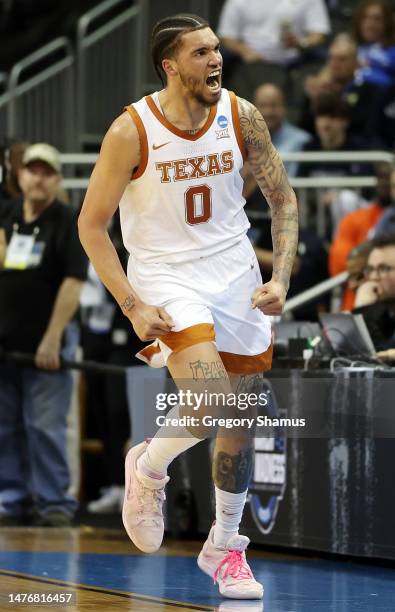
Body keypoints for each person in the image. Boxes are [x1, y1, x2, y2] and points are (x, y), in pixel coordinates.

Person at [78, 13, 298, 601]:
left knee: (238, 424)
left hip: (235, 275)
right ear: (170, 65)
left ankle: (224, 546)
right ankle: (149, 466)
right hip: (168, 277)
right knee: (209, 399)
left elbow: (282, 199)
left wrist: (284, 277)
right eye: (201, 53)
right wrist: (131, 305)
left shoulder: (241, 114)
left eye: (218, 49)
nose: (215, 60)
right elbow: (92, 226)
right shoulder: (132, 130)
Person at [0, 143, 88, 526]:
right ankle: (11, 498)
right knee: (6, 424)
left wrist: (53, 337)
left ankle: (53, 503)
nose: (38, 178)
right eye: (32, 171)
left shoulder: (68, 219)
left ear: (57, 179)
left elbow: (73, 281)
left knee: (45, 424)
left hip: (47, 340)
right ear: (19, 176)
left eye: (47, 172)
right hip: (6, 342)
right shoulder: (6, 215)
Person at [217, 0, 330, 99]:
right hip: (256, 62)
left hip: (298, 61)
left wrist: (302, 43)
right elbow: (227, 35)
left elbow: (319, 33)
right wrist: (245, 52)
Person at [300, 33, 385, 145]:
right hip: (320, 149)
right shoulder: (320, 89)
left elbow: (366, 126)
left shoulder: (369, 89)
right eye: (332, 58)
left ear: (356, 63)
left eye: (342, 59)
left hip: (357, 148)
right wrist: (313, 99)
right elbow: (305, 128)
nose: (335, 64)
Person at [329, 162, 392, 308]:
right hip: (357, 304)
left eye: (391, 181)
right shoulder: (355, 219)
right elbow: (339, 265)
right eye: (381, 178)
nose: (386, 184)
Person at [353, 233, 395, 361]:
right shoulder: (384, 312)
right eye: (370, 269)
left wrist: (363, 310)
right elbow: (350, 356)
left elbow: (378, 362)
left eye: (384, 269)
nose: (374, 277)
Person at [352, 0, 395, 89]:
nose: (370, 25)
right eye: (364, 18)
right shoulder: (350, 47)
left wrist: (373, 63)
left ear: (387, 23)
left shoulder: (392, 52)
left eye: (377, 19)